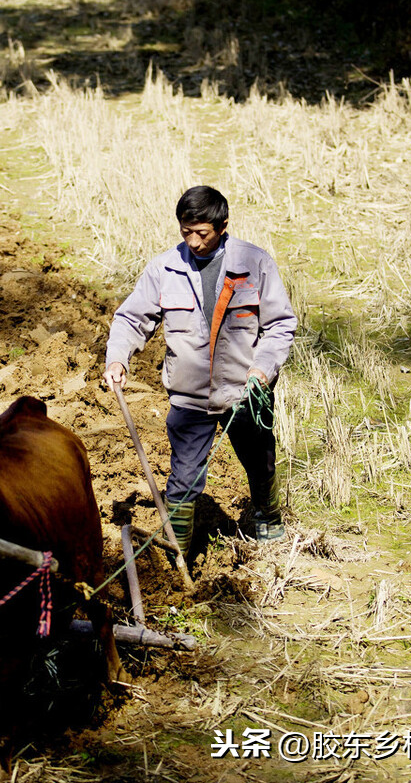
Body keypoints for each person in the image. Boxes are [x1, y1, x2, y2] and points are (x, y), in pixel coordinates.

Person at [103, 186, 297, 550]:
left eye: (202, 233)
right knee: (184, 478)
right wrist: (118, 357)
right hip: (190, 397)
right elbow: (131, 318)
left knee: (261, 463)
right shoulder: (164, 269)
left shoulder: (254, 264)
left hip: (245, 393)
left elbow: (280, 326)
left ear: (222, 226)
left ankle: (267, 517)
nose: (193, 241)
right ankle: (178, 551)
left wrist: (263, 369)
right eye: (185, 231)